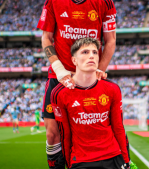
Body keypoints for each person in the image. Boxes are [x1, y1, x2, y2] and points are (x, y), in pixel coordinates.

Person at [37, 0, 118, 168]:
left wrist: (99, 70)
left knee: (84, 137)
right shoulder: (54, 0)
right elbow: (46, 38)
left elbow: (110, 42)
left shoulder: (105, 2)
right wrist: (60, 69)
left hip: (89, 81)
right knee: (53, 135)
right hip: (58, 77)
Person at [51, 38, 130, 169]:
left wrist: (126, 161)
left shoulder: (112, 88)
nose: (91, 56)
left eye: (95, 52)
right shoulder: (59, 93)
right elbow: (65, 134)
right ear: (74, 60)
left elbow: (119, 128)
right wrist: (69, 164)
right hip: (81, 160)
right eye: (85, 52)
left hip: (113, 157)